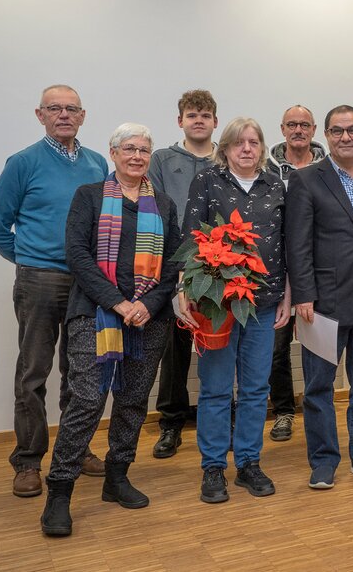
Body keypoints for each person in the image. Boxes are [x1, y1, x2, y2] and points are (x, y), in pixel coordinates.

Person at [40, 123, 182, 536]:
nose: (137, 156)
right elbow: (78, 255)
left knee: (135, 398)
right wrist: (118, 302)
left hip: (149, 318)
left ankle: (117, 477)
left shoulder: (165, 205)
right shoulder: (90, 196)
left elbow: (173, 264)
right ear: (114, 152)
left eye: (143, 149)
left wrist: (146, 305)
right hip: (95, 312)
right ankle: (59, 491)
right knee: (86, 399)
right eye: (129, 148)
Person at [0, 84, 108, 498]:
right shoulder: (22, 163)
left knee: (81, 372)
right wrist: (29, 258)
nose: (64, 115)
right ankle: (29, 460)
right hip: (39, 281)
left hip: (85, 282)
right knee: (34, 372)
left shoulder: (96, 163)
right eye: (55, 108)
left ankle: (75, 449)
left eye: (72, 108)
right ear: (40, 115)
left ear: (83, 115)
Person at [177, 117, 290, 503]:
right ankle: (212, 467)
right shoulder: (207, 181)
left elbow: (287, 244)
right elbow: (190, 238)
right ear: (224, 149)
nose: (247, 148)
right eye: (239, 143)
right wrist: (183, 291)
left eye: (254, 142)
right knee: (216, 388)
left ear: (262, 148)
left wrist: (288, 294)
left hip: (265, 300)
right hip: (217, 303)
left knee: (257, 388)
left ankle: (247, 463)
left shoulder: (276, 184)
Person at [287, 105, 353, 489]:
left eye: (352, 130)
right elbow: (297, 244)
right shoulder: (306, 180)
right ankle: (323, 461)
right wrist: (303, 295)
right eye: (337, 131)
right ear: (326, 136)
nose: (345, 137)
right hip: (323, 302)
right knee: (319, 387)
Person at [148, 89, 218, 459]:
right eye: (192, 115)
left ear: (215, 122)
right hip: (174, 262)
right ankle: (171, 423)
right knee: (174, 348)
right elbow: (156, 210)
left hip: (219, 264)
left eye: (205, 115)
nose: (198, 120)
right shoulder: (161, 159)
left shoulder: (227, 157)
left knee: (220, 342)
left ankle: (219, 416)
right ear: (180, 121)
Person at [265, 105, 326, 443]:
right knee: (276, 350)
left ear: (314, 129)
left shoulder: (329, 170)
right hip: (275, 272)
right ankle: (285, 411)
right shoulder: (266, 169)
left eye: (305, 124)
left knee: (318, 347)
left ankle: (321, 413)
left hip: (318, 272)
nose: (298, 130)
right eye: (292, 124)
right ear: (282, 128)